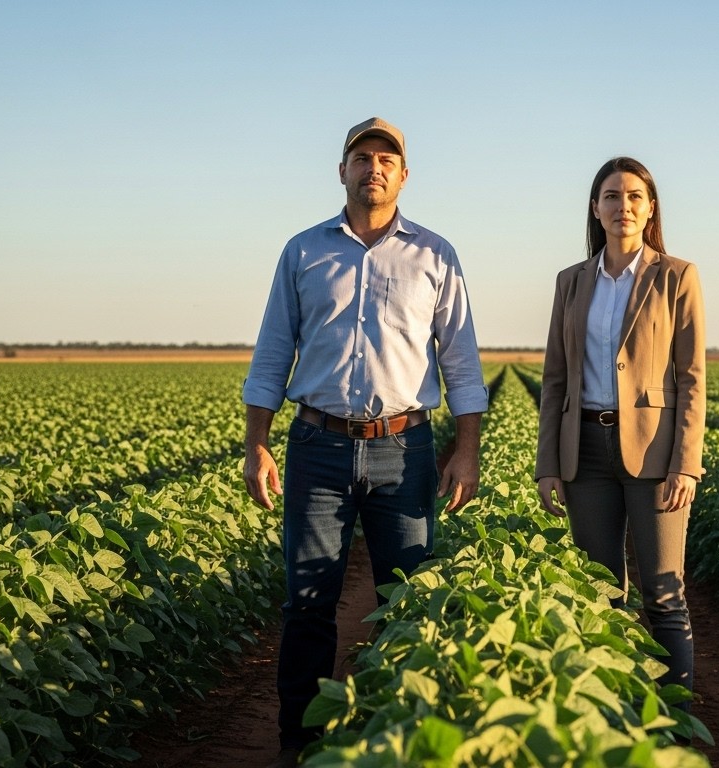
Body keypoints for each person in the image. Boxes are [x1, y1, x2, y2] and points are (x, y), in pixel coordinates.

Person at [242, 117, 487, 766]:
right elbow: (272, 352)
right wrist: (256, 443)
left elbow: (461, 362)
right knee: (307, 602)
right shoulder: (303, 251)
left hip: (403, 450)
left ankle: (397, 736)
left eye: (385, 159)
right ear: (342, 171)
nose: (373, 168)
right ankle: (299, 741)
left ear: (403, 175)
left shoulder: (435, 255)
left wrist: (467, 450)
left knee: (406, 599)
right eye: (361, 158)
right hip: (316, 446)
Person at [534, 156, 705, 704]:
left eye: (634, 197)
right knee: (601, 595)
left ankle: (673, 721)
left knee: (664, 595)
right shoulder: (570, 281)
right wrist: (548, 465)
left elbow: (692, 378)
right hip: (584, 450)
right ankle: (616, 714)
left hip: (654, 453)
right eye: (611, 196)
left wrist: (686, 464)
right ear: (595, 208)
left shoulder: (676, 276)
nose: (622, 206)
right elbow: (555, 380)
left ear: (650, 209)